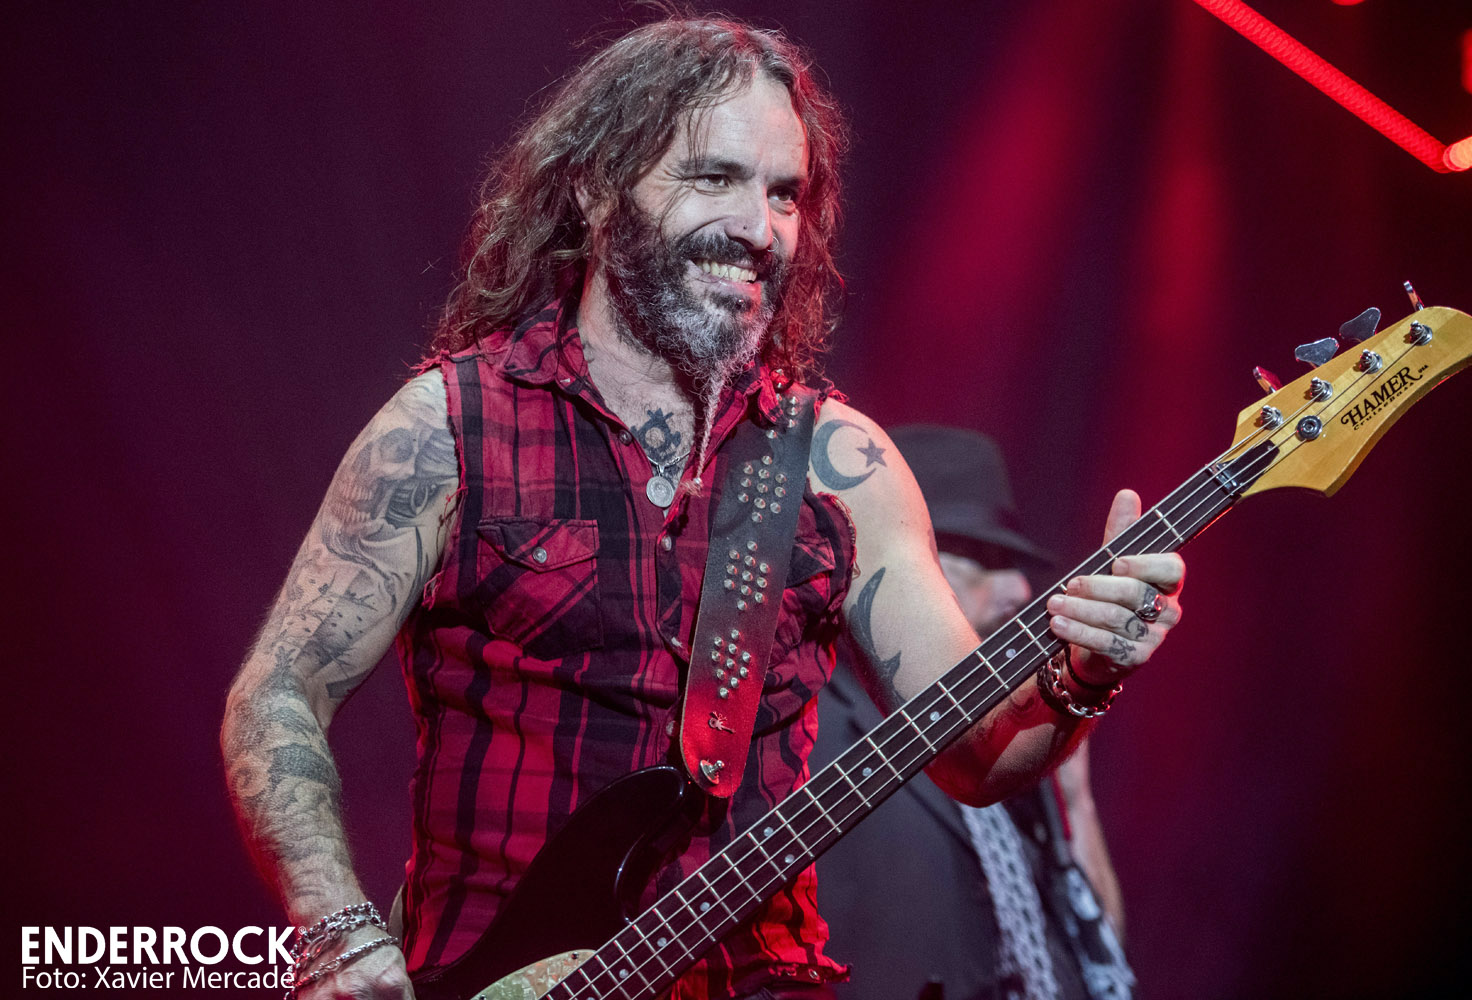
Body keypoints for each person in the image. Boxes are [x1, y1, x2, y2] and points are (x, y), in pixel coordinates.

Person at [220, 17, 1184, 1000]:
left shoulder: (841, 465)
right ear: (597, 188)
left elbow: (976, 755)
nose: (759, 229)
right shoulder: (449, 429)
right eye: (714, 178)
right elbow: (278, 693)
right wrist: (335, 929)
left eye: (784, 194)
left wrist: (1080, 675)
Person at [812, 425, 1133, 1000]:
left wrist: (1076, 802)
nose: (1020, 590)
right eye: (980, 558)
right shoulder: (814, 726)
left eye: (1012, 563)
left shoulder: (1019, 738)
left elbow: (1100, 963)